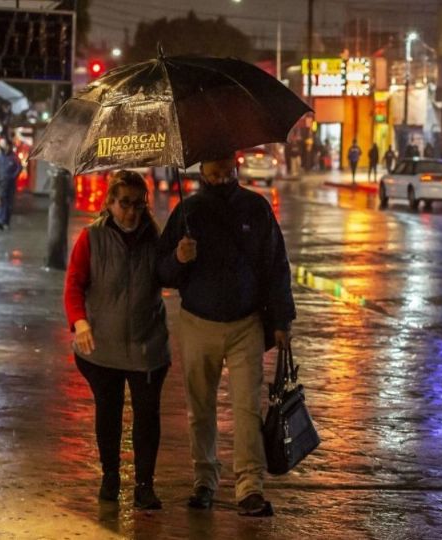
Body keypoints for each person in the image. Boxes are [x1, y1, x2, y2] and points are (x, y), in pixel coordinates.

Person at [157, 154, 296, 518]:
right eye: (213, 170)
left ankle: (250, 486)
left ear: (235, 166)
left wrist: (281, 319)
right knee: (199, 407)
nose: (220, 176)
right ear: (202, 170)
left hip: (245, 323)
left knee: (247, 408)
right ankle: (204, 479)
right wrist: (179, 257)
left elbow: (275, 264)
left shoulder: (255, 208)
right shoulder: (188, 212)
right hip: (198, 321)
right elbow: (163, 272)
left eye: (226, 169)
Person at [64, 170, 169, 509]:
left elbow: (172, 278)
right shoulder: (91, 238)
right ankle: (110, 475)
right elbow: (74, 285)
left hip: (146, 345)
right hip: (102, 347)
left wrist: (181, 258)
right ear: (109, 203)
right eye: (125, 203)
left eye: (139, 205)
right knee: (107, 412)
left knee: (147, 416)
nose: (132, 212)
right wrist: (79, 322)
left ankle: (144, 484)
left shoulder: (156, 239)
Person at [0, 135, 22, 231]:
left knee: (8, 203)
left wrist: (13, 177)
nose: (2, 145)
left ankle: (6, 221)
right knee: (0, 200)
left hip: (10, 184)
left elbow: (19, 168)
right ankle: (0, 220)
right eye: (1, 144)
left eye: (4, 144)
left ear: (8, 145)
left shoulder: (14, 157)